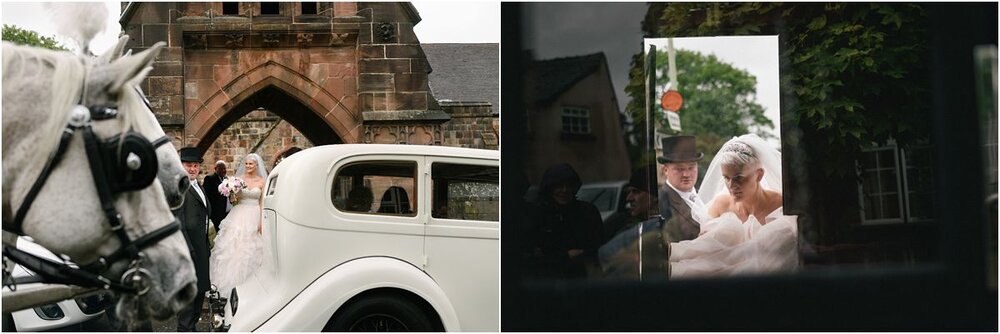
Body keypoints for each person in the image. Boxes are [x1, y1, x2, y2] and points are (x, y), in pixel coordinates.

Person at [668, 134, 798, 278]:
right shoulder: (720, 204)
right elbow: (704, 252)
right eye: (726, 178)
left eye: (739, 179)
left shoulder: (782, 205)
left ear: (759, 175)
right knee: (729, 228)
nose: (731, 186)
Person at [526, 163, 604, 279]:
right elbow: (532, 252)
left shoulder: (587, 212)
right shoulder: (539, 214)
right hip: (546, 280)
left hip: (582, 279)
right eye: (558, 186)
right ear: (549, 188)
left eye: (569, 186)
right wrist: (564, 256)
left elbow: (599, 245)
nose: (564, 190)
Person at [209, 153, 267, 296]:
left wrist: (261, 222)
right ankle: (228, 285)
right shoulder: (238, 180)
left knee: (251, 248)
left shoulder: (262, 181)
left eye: (251, 164)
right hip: (239, 213)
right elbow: (234, 201)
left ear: (256, 166)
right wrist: (231, 193)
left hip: (254, 213)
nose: (248, 166)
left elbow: (262, 202)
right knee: (233, 247)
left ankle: (251, 286)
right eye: (246, 163)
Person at [173, 147, 212, 332]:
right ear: (181, 165)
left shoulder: (198, 185)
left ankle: (191, 328)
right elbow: (177, 222)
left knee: (199, 294)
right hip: (188, 252)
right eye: (188, 165)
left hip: (201, 250)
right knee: (187, 302)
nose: (192, 168)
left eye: (195, 165)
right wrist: (188, 249)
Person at [657, 135, 705, 243]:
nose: (686, 174)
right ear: (665, 170)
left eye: (691, 167)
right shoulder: (660, 202)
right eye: (679, 169)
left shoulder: (704, 195)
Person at [603, 164, 659, 239]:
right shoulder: (621, 224)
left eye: (636, 192)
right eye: (629, 192)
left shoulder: (665, 228)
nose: (629, 198)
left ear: (655, 196)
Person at [202, 160, 230, 233]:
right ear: (215, 169)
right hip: (216, 212)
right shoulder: (209, 178)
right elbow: (207, 194)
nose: (224, 170)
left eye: (224, 168)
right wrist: (219, 189)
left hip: (226, 211)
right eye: (221, 168)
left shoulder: (227, 179)